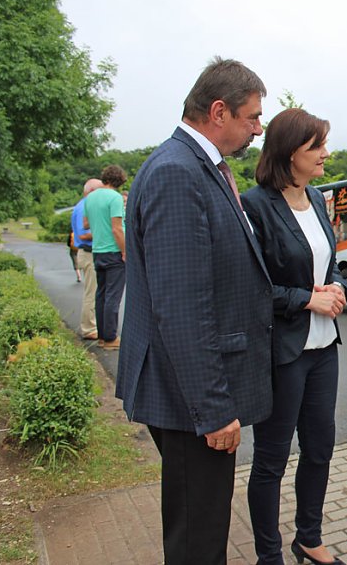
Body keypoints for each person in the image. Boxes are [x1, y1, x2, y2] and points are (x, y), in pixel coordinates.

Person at [115, 57, 273, 565]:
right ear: (219, 111)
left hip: (190, 394)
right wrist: (213, 408)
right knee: (198, 537)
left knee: (203, 525)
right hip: (189, 401)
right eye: (252, 117)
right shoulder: (178, 173)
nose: (257, 129)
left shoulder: (199, 167)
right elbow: (181, 305)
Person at [241, 108, 347, 565]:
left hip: (324, 349)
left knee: (320, 449)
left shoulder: (318, 197)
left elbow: (329, 263)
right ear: (290, 154)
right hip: (282, 351)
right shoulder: (255, 205)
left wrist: (337, 285)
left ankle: (309, 537)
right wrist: (307, 299)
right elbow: (251, 288)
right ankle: (269, 555)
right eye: (316, 146)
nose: (326, 153)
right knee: (270, 460)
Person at [83, 164, 127, 349]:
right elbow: (117, 228)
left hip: (97, 250)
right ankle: (110, 338)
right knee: (113, 296)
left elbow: (86, 224)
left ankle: (102, 336)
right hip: (113, 251)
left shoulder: (91, 197)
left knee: (101, 294)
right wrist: (125, 250)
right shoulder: (115, 198)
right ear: (119, 180)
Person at [71, 178, 104, 340]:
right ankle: (88, 327)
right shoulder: (83, 207)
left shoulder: (86, 205)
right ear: (91, 192)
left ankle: (94, 324)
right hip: (87, 252)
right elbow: (82, 234)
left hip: (91, 252)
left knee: (95, 290)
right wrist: (104, 229)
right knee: (92, 292)